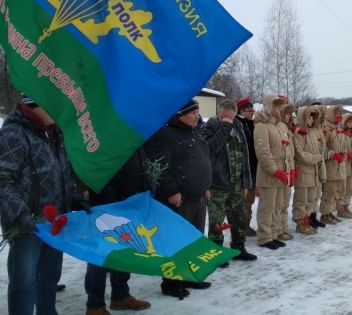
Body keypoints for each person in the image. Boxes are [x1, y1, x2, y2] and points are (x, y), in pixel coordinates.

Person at [0, 95, 90, 314]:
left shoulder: (54, 132)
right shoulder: (13, 134)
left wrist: (75, 197)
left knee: (48, 278)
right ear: (35, 106)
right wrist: (19, 213)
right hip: (27, 224)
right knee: (24, 283)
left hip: (54, 221)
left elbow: (62, 173)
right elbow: (2, 179)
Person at [145, 99, 212, 298]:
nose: (197, 116)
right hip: (180, 200)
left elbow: (201, 163)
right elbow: (158, 166)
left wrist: (206, 186)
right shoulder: (166, 135)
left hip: (198, 198)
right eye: (194, 112)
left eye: (198, 112)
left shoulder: (195, 133)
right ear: (181, 114)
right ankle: (172, 283)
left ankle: (190, 276)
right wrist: (171, 191)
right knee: (177, 242)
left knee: (194, 241)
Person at [84, 147, 151, 315]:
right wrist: (112, 203)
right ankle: (95, 304)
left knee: (124, 251)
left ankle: (121, 296)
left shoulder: (133, 134)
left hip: (130, 203)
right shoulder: (107, 132)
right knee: (100, 255)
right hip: (107, 206)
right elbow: (96, 171)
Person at [201, 99, 257, 262]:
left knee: (239, 218)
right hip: (217, 184)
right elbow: (210, 148)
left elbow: (244, 154)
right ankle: (217, 253)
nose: (226, 120)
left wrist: (246, 182)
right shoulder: (211, 125)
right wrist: (225, 126)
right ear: (219, 113)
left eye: (229, 118)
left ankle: (239, 248)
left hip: (236, 184)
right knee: (217, 221)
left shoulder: (238, 126)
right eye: (223, 116)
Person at [254, 94, 290, 250]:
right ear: (269, 107)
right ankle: (265, 237)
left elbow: (287, 151)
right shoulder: (262, 127)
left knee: (277, 206)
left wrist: (290, 170)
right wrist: (276, 171)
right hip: (269, 176)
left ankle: (274, 234)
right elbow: (263, 154)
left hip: (282, 175)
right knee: (267, 208)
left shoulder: (281, 126)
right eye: (277, 106)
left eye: (281, 106)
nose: (280, 109)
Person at [292, 106, 323, 235]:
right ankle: (300, 222)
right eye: (308, 117)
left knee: (310, 199)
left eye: (312, 117)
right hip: (304, 171)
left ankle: (307, 219)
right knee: (301, 199)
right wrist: (317, 158)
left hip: (314, 171)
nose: (310, 120)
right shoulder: (298, 133)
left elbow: (320, 149)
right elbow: (300, 153)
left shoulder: (313, 132)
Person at [319, 105, 347, 224]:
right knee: (329, 191)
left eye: (340, 114)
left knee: (335, 191)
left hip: (338, 166)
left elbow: (342, 144)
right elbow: (322, 149)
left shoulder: (338, 128)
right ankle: (325, 214)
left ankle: (330, 212)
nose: (339, 117)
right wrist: (332, 154)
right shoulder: (326, 128)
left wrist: (343, 152)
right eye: (336, 114)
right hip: (330, 165)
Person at [235, 98, 259, 237]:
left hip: (252, 168)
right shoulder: (237, 125)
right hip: (243, 170)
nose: (252, 113)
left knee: (249, 200)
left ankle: (246, 225)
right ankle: (241, 227)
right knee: (243, 201)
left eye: (253, 111)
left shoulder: (251, 125)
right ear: (242, 111)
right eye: (250, 111)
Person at [280, 104, 297, 241]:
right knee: (277, 204)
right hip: (279, 170)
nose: (289, 117)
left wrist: (292, 169)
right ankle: (276, 230)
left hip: (288, 168)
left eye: (290, 114)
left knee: (285, 203)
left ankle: (283, 228)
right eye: (286, 114)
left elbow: (290, 153)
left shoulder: (288, 130)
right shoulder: (279, 128)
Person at [340, 114, 352, 218]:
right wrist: (347, 154)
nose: (350, 124)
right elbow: (341, 147)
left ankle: (346, 206)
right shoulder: (342, 134)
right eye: (348, 122)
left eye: (351, 122)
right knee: (343, 188)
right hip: (344, 164)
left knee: (349, 189)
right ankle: (341, 207)